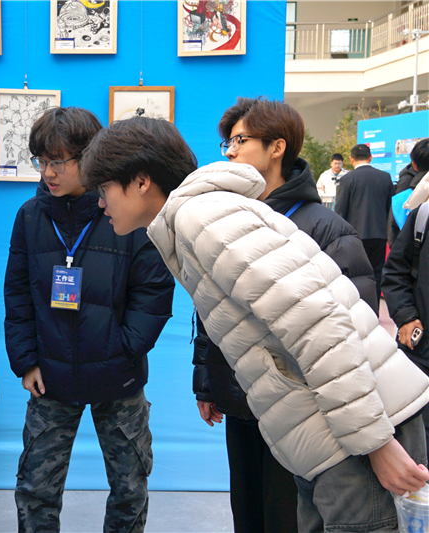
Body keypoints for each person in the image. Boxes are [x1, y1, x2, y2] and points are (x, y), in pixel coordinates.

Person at [81, 115, 429, 532]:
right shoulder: (195, 219)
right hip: (335, 431)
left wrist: (376, 443)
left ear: (141, 181)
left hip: (360, 430)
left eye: (104, 189)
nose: (100, 204)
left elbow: (318, 326)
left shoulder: (203, 220)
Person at [191, 98, 378, 533]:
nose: (230, 152)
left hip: (301, 410)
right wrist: (207, 382)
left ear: (277, 147)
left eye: (239, 140)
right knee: (247, 515)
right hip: (240, 397)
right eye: (227, 143)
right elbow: (210, 307)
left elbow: (355, 328)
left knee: (287, 518)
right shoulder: (227, 221)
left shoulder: (328, 230)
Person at [3, 106, 175, 533]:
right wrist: (26, 361)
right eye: (41, 161)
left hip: (119, 378)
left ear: (90, 157)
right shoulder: (30, 216)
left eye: (58, 161)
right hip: (51, 377)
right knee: (35, 489)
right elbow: (18, 294)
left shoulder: (127, 211)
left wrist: (124, 349)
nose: (48, 172)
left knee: (130, 487)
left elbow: (154, 291)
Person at [383, 147, 429, 460]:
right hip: (423, 352)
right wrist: (407, 317)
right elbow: (396, 271)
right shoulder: (423, 213)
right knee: (418, 444)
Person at [335, 144, 395, 299]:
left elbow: (340, 210)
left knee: (355, 275)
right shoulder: (385, 177)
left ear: (351, 159)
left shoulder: (347, 179)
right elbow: (390, 208)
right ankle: (374, 308)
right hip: (379, 235)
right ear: (371, 157)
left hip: (355, 236)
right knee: (376, 273)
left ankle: (357, 306)